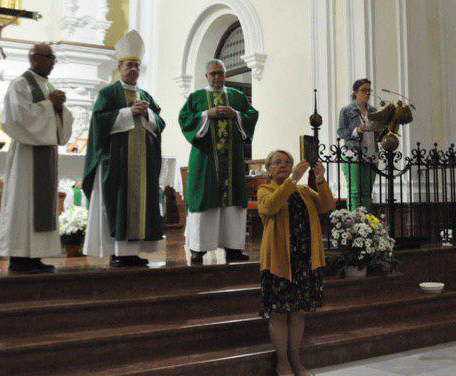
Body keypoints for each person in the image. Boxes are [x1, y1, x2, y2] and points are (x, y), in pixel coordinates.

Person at [82, 30, 166, 268]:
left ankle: (132, 253)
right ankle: (116, 252)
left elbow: (160, 123)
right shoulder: (108, 93)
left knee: (139, 207)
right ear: (119, 68)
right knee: (117, 205)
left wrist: (148, 114)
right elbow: (99, 121)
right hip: (116, 162)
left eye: (137, 67)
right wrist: (129, 113)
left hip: (141, 163)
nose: (134, 70)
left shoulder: (146, 95)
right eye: (129, 66)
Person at [0, 43, 74, 274]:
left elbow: (61, 118)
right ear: (34, 58)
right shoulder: (20, 84)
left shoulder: (47, 85)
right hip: (26, 155)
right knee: (23, 204)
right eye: (50, 58)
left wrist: (59, 109)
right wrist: (51, 106)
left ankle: (35, 256)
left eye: (53, 59)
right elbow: (18, 117)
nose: (52, 63)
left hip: (45, 153)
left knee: (40, 207)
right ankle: (19, 257)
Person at [258, 150, 335, 376]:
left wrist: (319, 179)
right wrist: (292, 179)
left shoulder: (303, 190)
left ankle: (295, 359)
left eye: (288, 162)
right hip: (279, 262)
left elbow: (326, 205)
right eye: (278, 162)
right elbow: (270, 206)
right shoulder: (266, 189)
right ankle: (282, 362)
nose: (284, 165)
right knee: (280, 313)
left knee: (298, 312)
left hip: (304, 260)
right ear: (268, 168)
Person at [179, 58, 259, 264]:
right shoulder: (196, 97)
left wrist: (237, 114)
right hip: (205, 159)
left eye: (220, 73)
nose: (217, 77)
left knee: (232, 204)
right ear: (206, 76)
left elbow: (252, 115)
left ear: (225, 75)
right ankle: (199, 248)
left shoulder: (236, 96)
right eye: (213, 73)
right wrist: (207, 114)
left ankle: (233, 248)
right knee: (205, 200)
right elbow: (185, 119)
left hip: (232, 161)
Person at [336, 78, 378, 209]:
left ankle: (366, 223)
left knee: (367, 192)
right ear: (355, 92)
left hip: (371, 153)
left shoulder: (374, 111)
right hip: (352, 153)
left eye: (369, 91)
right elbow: (341, 132)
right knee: (355, 191)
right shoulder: (346, 110)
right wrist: (357, 130)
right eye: (364, 90)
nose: (367, 94)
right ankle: (353, 223)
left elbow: (378, 132)